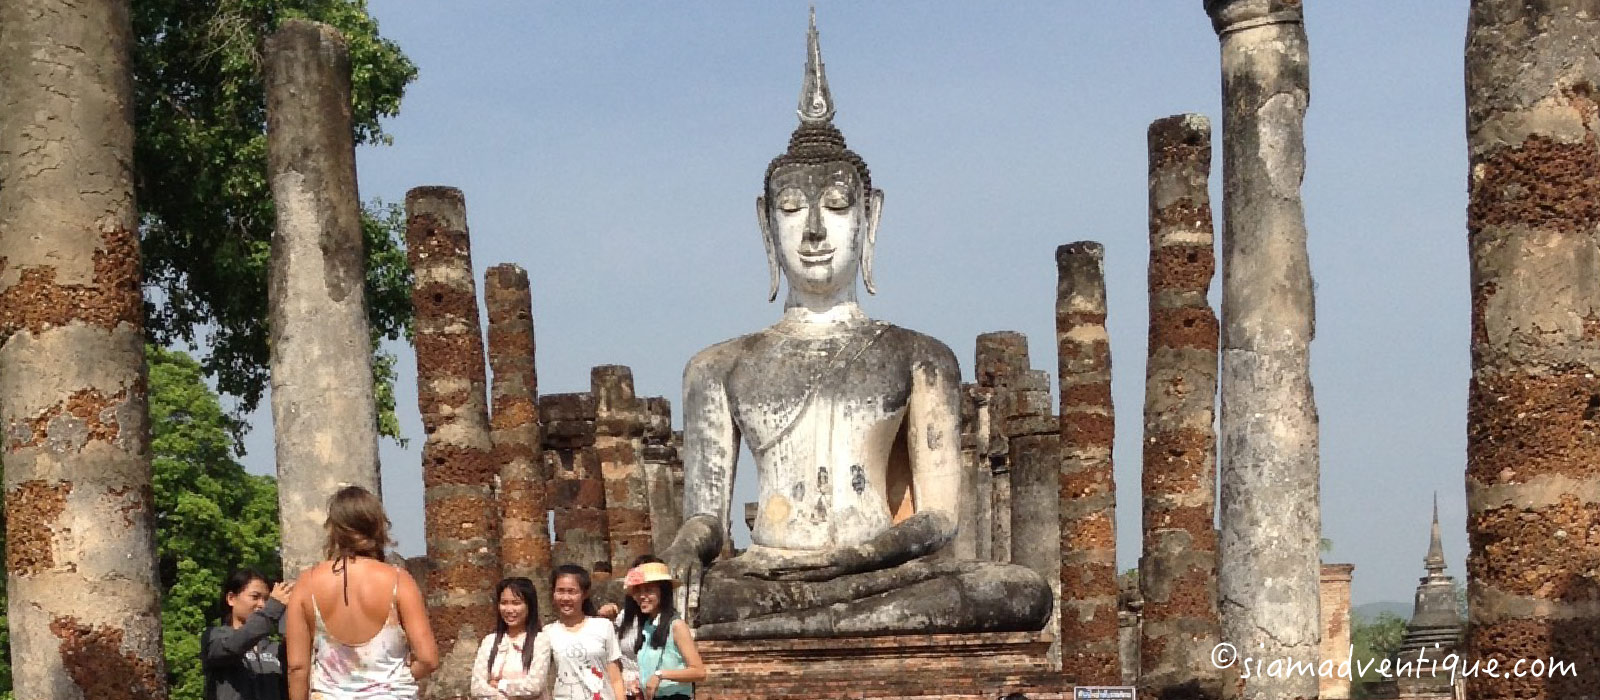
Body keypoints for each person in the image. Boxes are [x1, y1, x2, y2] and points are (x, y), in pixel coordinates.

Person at [285, 486, 439, 700]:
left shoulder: (307, 584)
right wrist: (393, 681)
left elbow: (297, 667)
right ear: (377, 526)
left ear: (335, 529)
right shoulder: (399, 581)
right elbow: (428, 659)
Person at [203, 569, 293, 700]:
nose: (262, 605)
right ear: (231, 598)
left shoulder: (274, 649)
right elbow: (234, 645)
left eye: (267, 600)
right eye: (255, 597)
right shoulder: (215, 638)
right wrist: (273, 609)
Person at [621, 562, 705, 700]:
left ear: (663, 592)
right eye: (638, 591)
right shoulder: (647, 627)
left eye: (648, 590)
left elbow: (699, 672)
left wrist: (660, 675)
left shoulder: (676, 626)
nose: (642, 596)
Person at [541, 564, 625, 700]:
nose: (566, 598)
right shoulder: (548, 632)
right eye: (560, 591)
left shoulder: (603, 626)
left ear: (584, 594)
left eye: (571, 591)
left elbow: (615, 677)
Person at [472, 577, 550, 699]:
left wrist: (501, 684)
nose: (509, 610)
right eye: (504, 603)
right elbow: (477, 687)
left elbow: (534, 686)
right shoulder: (489, 641)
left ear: (529, 606)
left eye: (516, 603)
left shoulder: (539, 641)